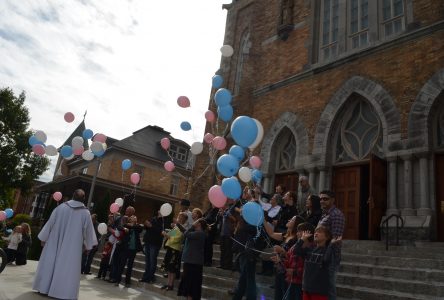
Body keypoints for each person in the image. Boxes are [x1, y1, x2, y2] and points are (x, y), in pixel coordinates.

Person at [32, 189, 98, 300]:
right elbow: (88, 231)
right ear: (84, 198)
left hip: (54, 241)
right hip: (72, 246)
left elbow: (50, 223)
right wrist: (88, 245)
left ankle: (44, 288)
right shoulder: (85, 213)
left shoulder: (60, 208)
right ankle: (62, 293)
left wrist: (44, 238)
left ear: (72, 196)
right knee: (67, 267)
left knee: (50, 263)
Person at [295, 226, 342, 300]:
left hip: (319, 290)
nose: (316, 233)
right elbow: (296, 251)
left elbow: (326, 260)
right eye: (315, 232)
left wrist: (331, 245)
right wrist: (302, 239)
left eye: (319, 232)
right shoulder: (310, 249)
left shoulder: (328, 250)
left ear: (327, 237)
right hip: (306, 288)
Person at [265, 215, 304, 300]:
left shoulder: (295, 240)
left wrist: (282, 251)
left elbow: (294, 257)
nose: (289, 219)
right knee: (278, 296)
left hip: (287, 272)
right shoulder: (286, 236)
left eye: (292, 220)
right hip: (280, 269)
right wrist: (263, 220)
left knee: (284, 295)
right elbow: (271, 233)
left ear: (296, 224)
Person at [317, 190, 345, 300]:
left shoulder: (336, 215)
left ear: (333, 200)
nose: (322, 201)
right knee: (322, 287)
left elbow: (336, 240)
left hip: (330, 257)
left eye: (325, 199)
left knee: (329, 287)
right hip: (321, 254)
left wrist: (327, 256)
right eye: (321, 199)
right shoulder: (325, 214)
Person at [280, 222, 315, 300]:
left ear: (308, 232)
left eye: (300, 231)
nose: (297, 233)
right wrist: (279, 261)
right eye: (297, 231)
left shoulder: (312, 247)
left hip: (302, 284)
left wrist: (295, 272)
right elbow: (287, 260)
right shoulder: (295, 246)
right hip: (292, 281)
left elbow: (309, 268)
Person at [177, 218, 207, 300]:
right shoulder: (196, 232)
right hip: (190, 262)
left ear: (199, 224)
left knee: (192, 285)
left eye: (196, 221)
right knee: (188, 284)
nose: (194, 222)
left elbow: (187, 234)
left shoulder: (200, 233)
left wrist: (191, 227)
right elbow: (186, 232)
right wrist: (178, 224)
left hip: (194, 263)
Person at [160, 212, 187, 291]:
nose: (178, 218)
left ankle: (171, 285)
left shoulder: (183, 227)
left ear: (183, 219)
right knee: (168, 267)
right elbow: (171, 234)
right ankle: (168, 283)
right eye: (179, 216)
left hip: (175, 249)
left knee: (172, 268)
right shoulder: (176, 227)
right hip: (170, 248)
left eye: (180, 217)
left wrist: (167, 235)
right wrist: (166, 234)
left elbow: (178, 238)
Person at [140, 211, 164, 283]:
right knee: (147, 261)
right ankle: (145, 277)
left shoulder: (162, 221)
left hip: (155, 243)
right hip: (148, 241)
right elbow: (147, 228)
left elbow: (160, 231)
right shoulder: (153, 218)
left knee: (152, 261)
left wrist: (151, 226)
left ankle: (150, 277)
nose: (160, 211)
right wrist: (146, 225)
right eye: (160, 210)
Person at [218, 199, 237, 270]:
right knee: (223, 249)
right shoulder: (224, 211)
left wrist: (226, 214)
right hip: (223, 232)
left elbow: (234, 219)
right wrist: (221, 214)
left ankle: (228, 265)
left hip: (229, 233)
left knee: (228, 249)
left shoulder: (232, 210)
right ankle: (222, 264)